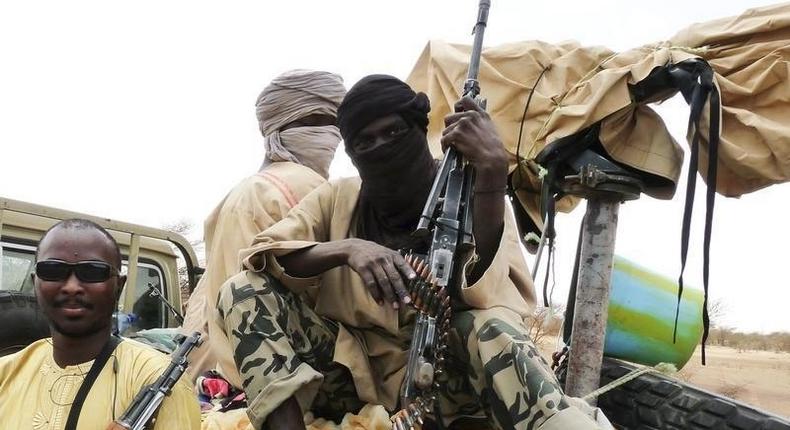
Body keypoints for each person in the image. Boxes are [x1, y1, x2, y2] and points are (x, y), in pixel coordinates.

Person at [216, 75, 611, 429]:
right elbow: (263, 256)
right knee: (242, 291)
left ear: (419, 130)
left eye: (393, 132)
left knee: (489, 328)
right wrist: (348, 249)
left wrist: (491, 172)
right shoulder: (339, 197)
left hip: (447, 384)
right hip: (354, 380)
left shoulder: (465, 192)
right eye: (364, 142)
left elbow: (490, 292)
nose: (381, 148)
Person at [180, 69, 347, 387]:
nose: (332, 136)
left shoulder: (237, 194)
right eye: (320, 121)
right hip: (297, 378)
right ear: (283, 125)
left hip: (234, 373)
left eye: (336, 123)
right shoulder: (307, 188)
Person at [0, 219, 200, 429]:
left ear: (119, 286)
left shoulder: (155, 378)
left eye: (93, 272)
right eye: (53, 270)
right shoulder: (6, 372)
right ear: (36, 282)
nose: (71, 287)